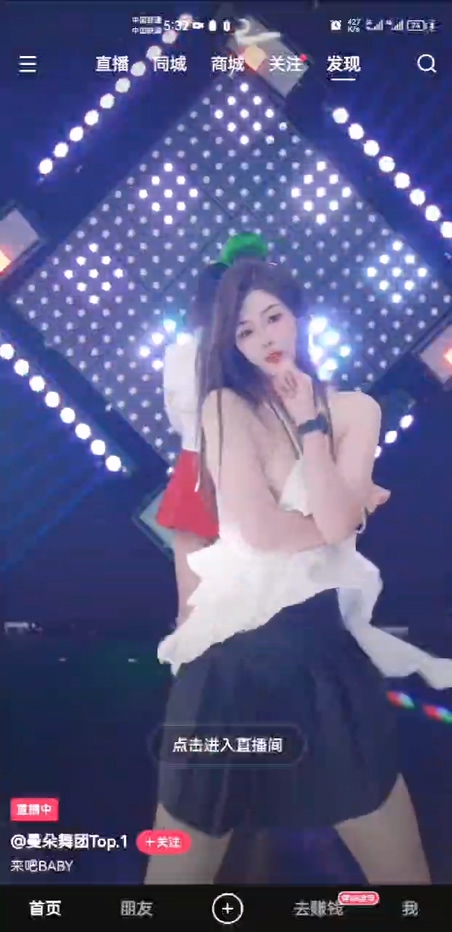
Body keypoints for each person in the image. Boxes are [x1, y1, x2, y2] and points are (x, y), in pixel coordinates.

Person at [146, 259, 450, 886]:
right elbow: (266, 529)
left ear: (300, 316)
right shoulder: (224, 407)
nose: (265, 339)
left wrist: (312, 425)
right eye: (246, 331)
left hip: (321, 659)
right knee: (175, 883)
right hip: (230, 668)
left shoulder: (355, 410)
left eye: (274, 318)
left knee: (405, 878)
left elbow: (331, 520)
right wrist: (343, 519)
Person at [156, 233, 269, 625]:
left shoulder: (181, 353)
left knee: (192, 603)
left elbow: (175, 415)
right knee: (251, 599)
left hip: (196, 467)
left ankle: (195, 659)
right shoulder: (250, 350)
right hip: (247, 474)